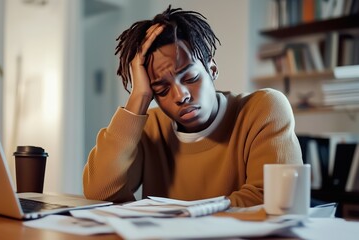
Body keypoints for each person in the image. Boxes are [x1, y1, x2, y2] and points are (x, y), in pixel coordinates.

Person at [82, 5, 302, 207]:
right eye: (161, 89)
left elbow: (274, 198)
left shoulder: (263, 110)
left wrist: (180, 216)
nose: (180, 96)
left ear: (212, 69)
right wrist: (138, 97)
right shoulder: (150, 128)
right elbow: (99, 192)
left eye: (190, 78)